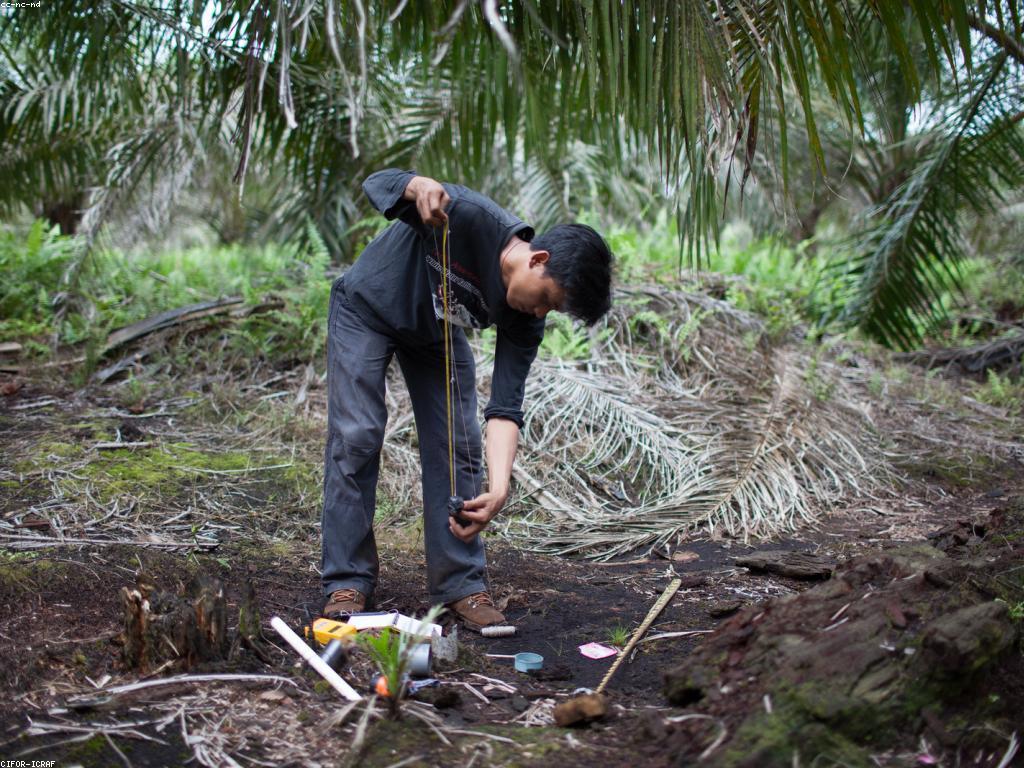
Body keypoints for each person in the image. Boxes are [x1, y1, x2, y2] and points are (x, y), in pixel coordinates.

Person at [321, 168, 613, 632]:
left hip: (435, 333)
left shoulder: (525, 319)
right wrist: (417, 186)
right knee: (358, 435)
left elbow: (505, 408)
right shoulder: (471, 216)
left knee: (458, 446)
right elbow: (378, 182)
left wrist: (499, 489)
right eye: (546, 300)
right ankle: (347, 580)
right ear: (537, 259)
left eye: (550, 311)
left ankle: (460, 585)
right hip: (367, 308)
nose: (540, 313)